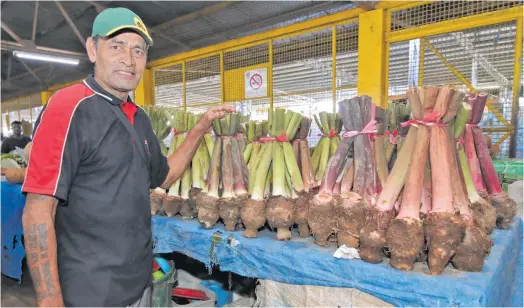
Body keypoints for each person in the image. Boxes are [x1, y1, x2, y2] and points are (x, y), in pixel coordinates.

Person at [21, 7, 233, 307]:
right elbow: (38, 209)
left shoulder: (139, 117)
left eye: (138, 50)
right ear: (92, 49)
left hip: (138, 282)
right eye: (116, 46)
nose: (129, 60)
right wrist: (49, 298)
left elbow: (165, 175)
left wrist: (200, 127)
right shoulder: (68, 108)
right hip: (90, 290)